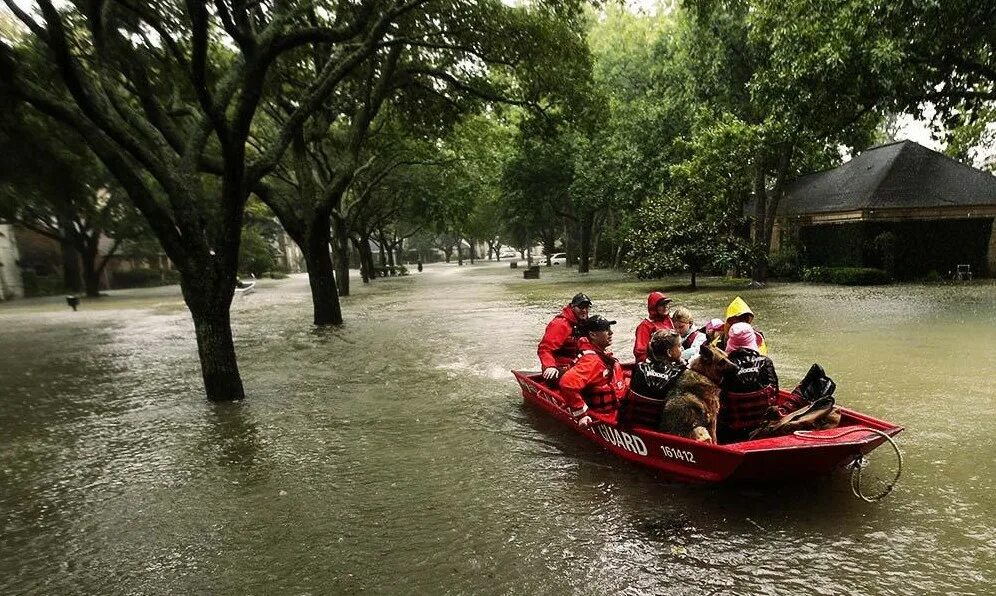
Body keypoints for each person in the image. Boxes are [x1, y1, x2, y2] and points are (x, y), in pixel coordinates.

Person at [560, 315, 628, 425]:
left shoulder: (598, 354)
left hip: (614, 410)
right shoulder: (592, 361)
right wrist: (581, 414)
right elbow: (567, 383)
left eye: (610, 329)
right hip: (605, 416)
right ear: (592, 335)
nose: (611, 333)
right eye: (606, 330)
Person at [718, 322, 779, 442]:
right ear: (752, 341)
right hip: (762, 427)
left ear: (730, 341)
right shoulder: (766, 362)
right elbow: (775, 393)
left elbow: (719, 399)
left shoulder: (722, 367)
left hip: (730, 431)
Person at [538, 293, 592, 381]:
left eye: (587, 307)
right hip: (559, 367)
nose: (585, 310)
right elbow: (545, 349)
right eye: (581, 307)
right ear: (572, 307)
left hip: (578, 365)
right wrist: (550, 366)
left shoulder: (586, 323)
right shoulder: (560, 324)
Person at [629, 329, 686, 400]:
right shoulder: (678, 373)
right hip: (662, 410)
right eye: (679, 346)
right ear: (669, 352)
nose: (682, 348)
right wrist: (681, 363)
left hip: (639, 409)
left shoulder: (639, 367)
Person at [633, 291, 673, 363]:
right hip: (656, 364)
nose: (665, 307)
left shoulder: (669, 321)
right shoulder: (645, 326)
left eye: (666, 304)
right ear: (653, 307)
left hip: (671, 359)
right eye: (661, 305)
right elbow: (640, 353)